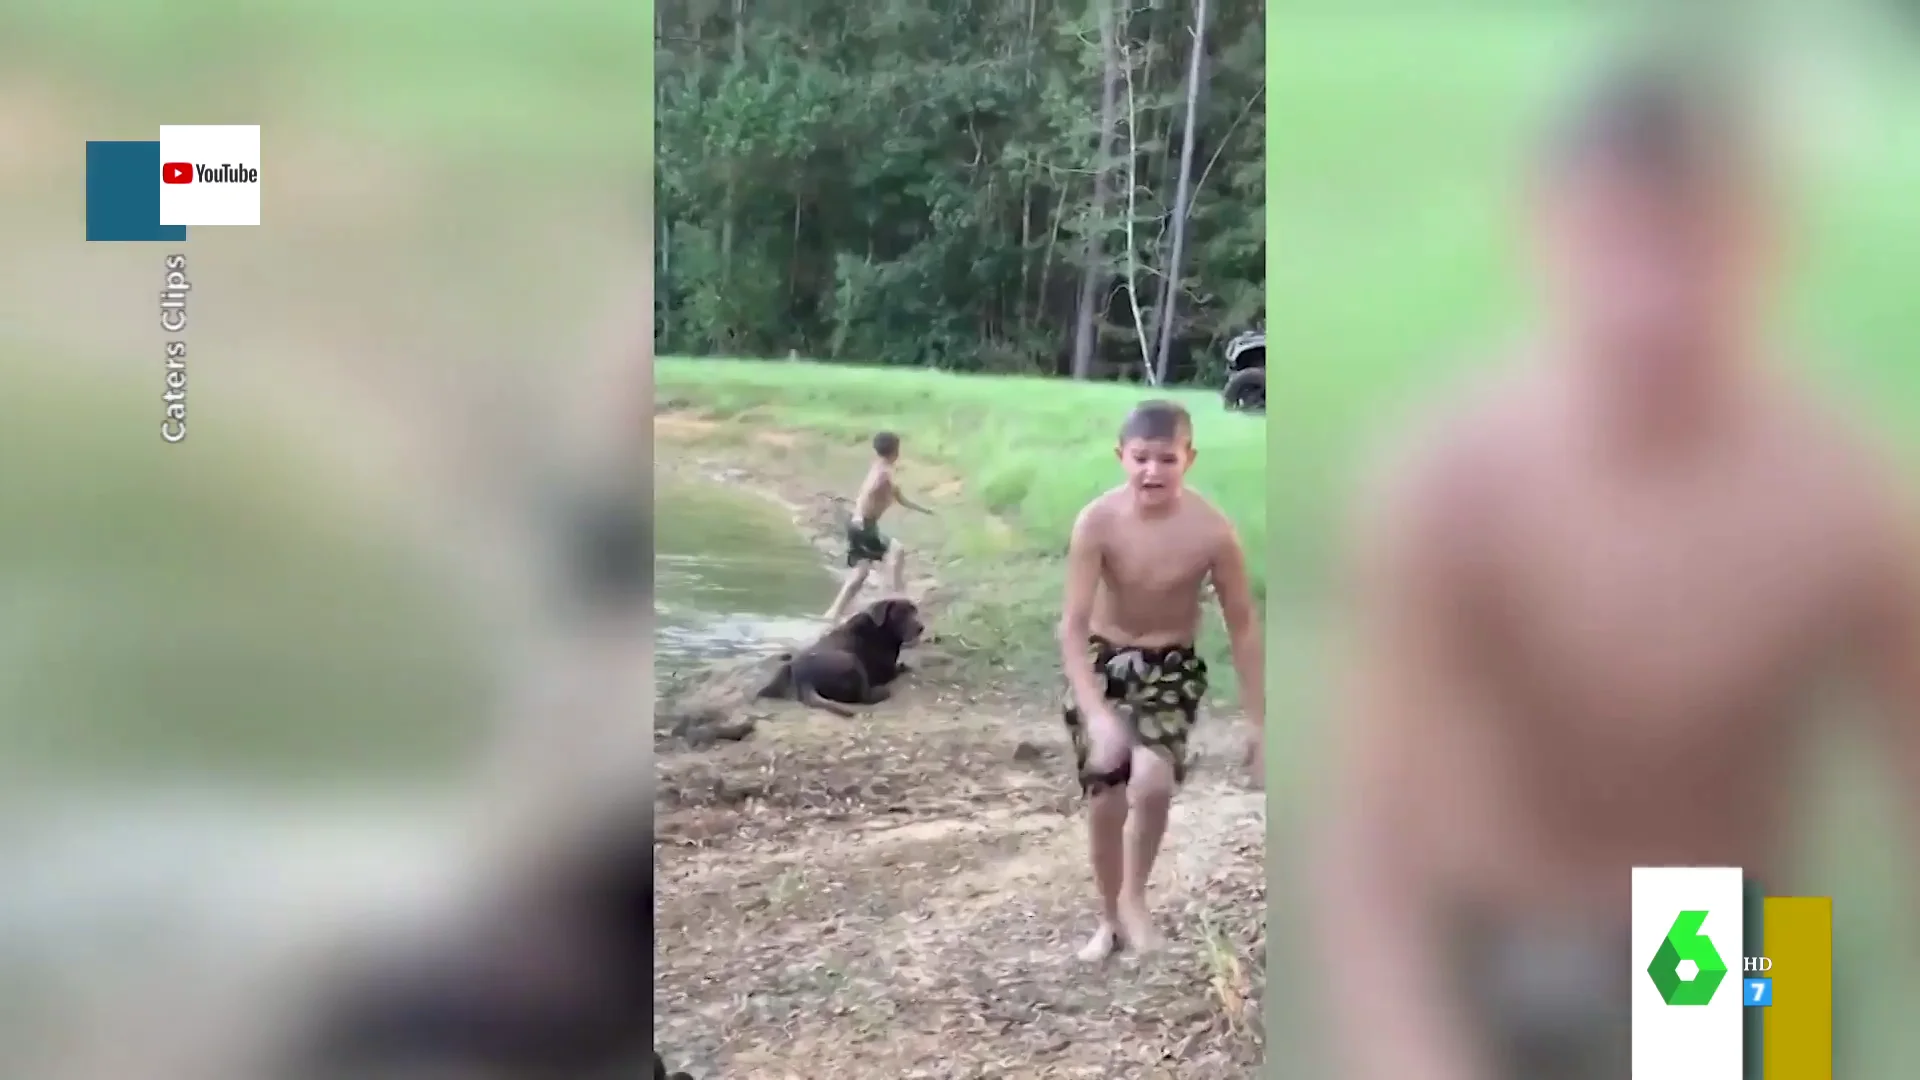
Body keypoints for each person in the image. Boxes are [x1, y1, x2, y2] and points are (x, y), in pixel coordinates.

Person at [1314, 60, 1919, 1079]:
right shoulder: (1459, 482)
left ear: (1767, 245)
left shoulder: (1844, 496)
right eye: (1611, 245)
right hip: (1510, 934)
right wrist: (1414, 1048)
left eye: (1691, 248)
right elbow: (1374, 842)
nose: (1648, 300)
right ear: (1543, 237)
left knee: (1785, 1013)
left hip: (1734, 932)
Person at [1059, 400, 1266, 959]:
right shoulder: (1097, 522)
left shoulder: (1213, 531)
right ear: (1121, 457)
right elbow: (1072, 629)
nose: (1153, 471)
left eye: (1167, 459)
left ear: (1189, 459)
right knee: (1106, 793)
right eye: (1142, 458)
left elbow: (1243, 626)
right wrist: (1098, 714)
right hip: (1103, 662)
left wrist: (1259, 720)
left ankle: (1134, 898)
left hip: (1170, 667)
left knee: (1151, 783)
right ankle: (1108, 919)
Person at [821, 431, 933, 624]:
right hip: (864, 525)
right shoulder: (883, 473)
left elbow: (899, 498)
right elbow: (870, 490)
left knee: (861, 573)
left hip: (861, 525)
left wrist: (924, 510)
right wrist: (859, 513)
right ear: (896, 451)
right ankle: (896, 597)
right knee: (896, 551)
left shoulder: (880, 468)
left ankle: (833, 613)